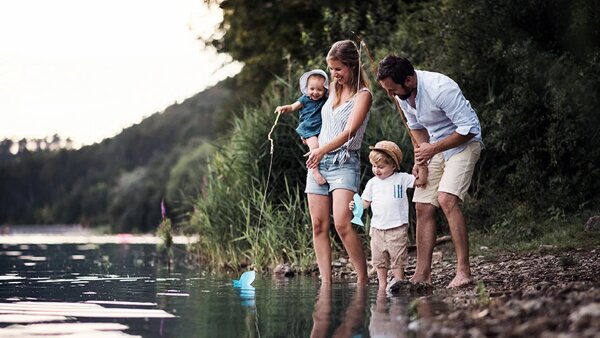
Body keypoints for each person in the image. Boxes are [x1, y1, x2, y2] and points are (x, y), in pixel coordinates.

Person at [377, 55, 483, 288]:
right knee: (423, 205)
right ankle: (422, 275)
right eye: (387, 90)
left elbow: (469, 129)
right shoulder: (402, 95)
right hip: (435, 147)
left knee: (446, 199)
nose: (391, 94)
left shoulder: (440, 88)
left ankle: (463, 271)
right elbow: (417, 128)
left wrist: (432, 148)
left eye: (393, 89)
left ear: (408, 79)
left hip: (464, 144)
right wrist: (421, 160)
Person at [304, 39, 372, 285]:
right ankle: (326, 283)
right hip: (318, 162)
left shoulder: (364, 95)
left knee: (343, 223)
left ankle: (363, 280)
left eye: (338, 69)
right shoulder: (330, 88)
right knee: (318, 225)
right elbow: (309, 117)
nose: (334, 74)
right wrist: (312, 144)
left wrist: (321, 150)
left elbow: (350, 132)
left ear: (352, 66)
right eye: (331, 69)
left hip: (344, 162)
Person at [349, 140, 418, 292]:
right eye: (374, 166)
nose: (376, 170)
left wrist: (420, 166)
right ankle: (382, 284)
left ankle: (398, 281)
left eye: (381, 167)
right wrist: (356, 205)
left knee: (398, 258)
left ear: (393, 165)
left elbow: (419, 181)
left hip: (397, 227)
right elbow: (366, 201)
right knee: (379, 259)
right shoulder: (372, 183)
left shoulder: (401, 178)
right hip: (377, 228)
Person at [276, 69, 329, 184]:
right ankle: (314, 170)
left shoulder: (325, 100)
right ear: (307, 88)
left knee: (323, 145)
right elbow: (293, 107)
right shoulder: (304, 99)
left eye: (319, 89)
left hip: (320, 128)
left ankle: (323, 167)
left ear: (325, 89)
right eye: (312, 89)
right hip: (308, 128)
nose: (315, 92)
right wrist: (284, 108)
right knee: (315, 147)